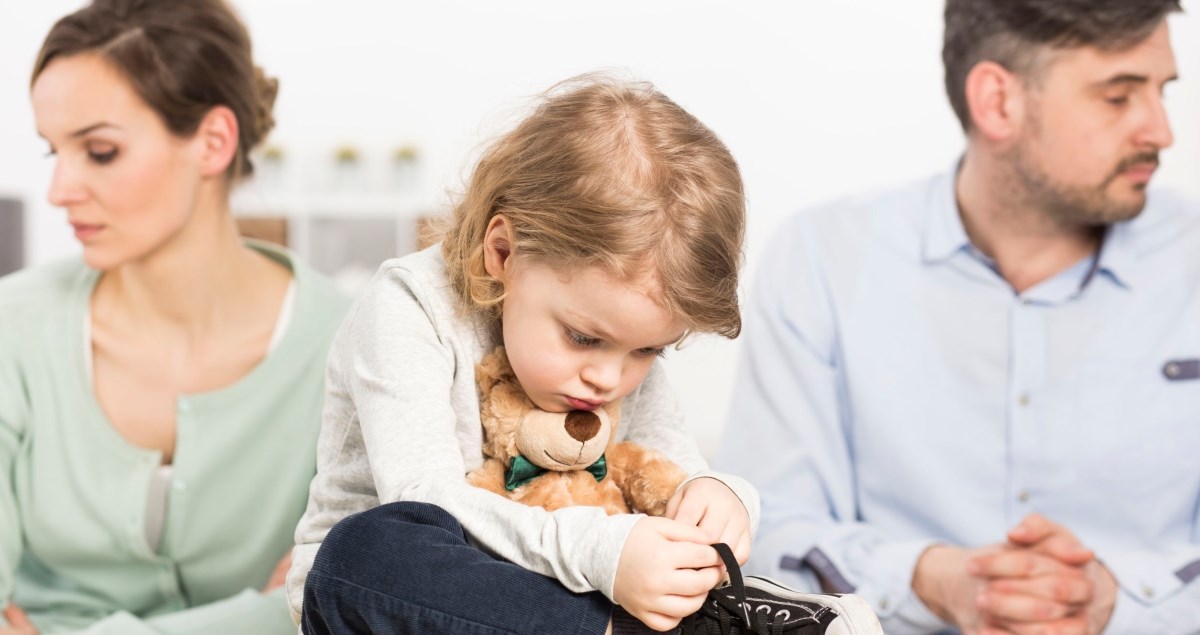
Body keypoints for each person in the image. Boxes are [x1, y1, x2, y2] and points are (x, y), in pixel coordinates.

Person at [285, 77, 881, 635]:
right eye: (583, 338)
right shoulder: (408, 306)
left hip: (563, 602)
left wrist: (719, 497)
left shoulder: (612, 350)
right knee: (360, 554)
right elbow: (425, 500)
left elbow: (666, 463)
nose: (607, 377)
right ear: (502, 252)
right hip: (414, 610)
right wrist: (606, 553)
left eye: (646, 350)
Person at [717, 0, 1199, 634]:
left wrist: (1122, 601)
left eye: (1160, 92)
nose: (1161, 131)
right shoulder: (822, 262)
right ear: (998, 102)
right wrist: (929, 580)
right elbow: (760, 527)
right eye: (1118, 97)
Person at [0, 0, 350, 632]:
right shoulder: (14, 327)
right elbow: (292, 608)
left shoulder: (351, 343)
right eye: (56, 153)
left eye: (100, 151)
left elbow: (345, 601)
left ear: (213, 142)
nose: (59, 191)